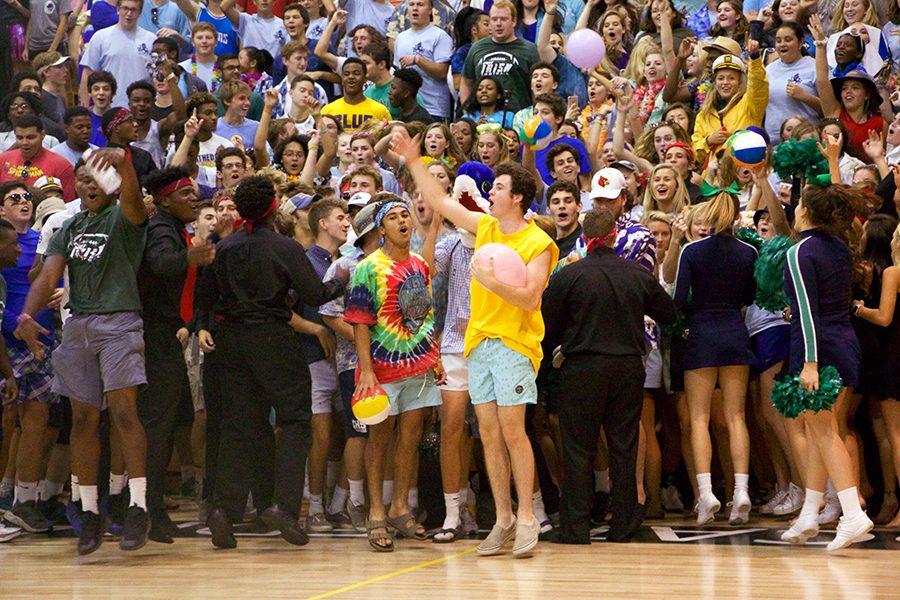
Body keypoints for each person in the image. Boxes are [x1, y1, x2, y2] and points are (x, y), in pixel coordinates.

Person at [394, 133, 558, 558]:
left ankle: (526, 518)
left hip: (515, 344)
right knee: (487, 434)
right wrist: (414, 161)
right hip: (478, 343)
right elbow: (442, 202)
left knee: (513, 432)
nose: (491, 192)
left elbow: (531, 298)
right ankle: (502, 519)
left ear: (518, 197)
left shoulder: (538, 242)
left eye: (499, 187)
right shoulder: (485, 226)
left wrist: (493, 283)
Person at [15, 149, 150, 556]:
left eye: (98, 179)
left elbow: (134, 200)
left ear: (110, 185)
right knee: (82, 420)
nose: (91, 185)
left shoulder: (124, 218)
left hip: (119, 321)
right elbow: (49, 276)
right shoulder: (69, 227)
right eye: (84, 180)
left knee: (124, 412)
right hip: (77, 325)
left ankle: (138, 505)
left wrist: (123, 165)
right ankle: (90, 510)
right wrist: (26, 314)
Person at [197, 175, 343, 549]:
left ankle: (222, 509)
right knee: (296, 420)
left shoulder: (225, 247)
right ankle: (283, 505)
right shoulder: (284, 247)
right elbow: (314, 292)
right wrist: (340, 279)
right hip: (274, 340)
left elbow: (206, 297)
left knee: (238, 426)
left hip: (231, 341)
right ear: (273, 206)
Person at [543, 207, 677, 543]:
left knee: (577, 448)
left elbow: (547, 324)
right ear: (614, 236)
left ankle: (575, 529)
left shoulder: (570, 275)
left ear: (585, 238)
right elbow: (668, 312)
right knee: (624, 445)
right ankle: (624, 526)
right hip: (627, 366)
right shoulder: (635, 273)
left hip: (582, 367)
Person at [344, 198, 444, 552]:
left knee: (411, 437)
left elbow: (424, 316)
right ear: (380, 229)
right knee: (380, 440)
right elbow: (358, 321)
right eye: (393, 217)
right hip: (382, 370)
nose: (403, 220)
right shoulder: (367, 268)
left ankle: (400, 506)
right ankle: (375, 511)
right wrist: (366, 370)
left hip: (419, 366)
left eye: (406, 215)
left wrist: (433, 355)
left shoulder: (419, 264)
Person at [781, 184, 874, 551]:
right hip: (844, 341)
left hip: (819, 349)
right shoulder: (837, 245)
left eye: (799, 203)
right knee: (825, 430)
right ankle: (808, 513)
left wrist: (809, 363)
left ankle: (852, 515)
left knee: (824, 432)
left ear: (805, 212)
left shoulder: (799, 251)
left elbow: (805, 310)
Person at [137, 167, 215, 543]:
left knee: (166, 424)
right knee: (158, 425)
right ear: (164, 200)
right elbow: (161, 264)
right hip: (153, 334)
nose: (194, 198)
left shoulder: (173, 227)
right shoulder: (161, 229)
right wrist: (192, 256)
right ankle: (148, 512)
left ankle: (152, 510)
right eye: (186, 194)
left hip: (168, 332)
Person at [673, 188, 758, 526]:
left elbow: (678, 299)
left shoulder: (692, 251)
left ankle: (706, 493)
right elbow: (750, 296)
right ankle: (741, 492)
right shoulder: (748, 252)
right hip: (735, 332)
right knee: (736, 416)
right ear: (737, 216)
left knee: (699, 418)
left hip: (703, 334)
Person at [460, 1, 541, 113]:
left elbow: (537, 87)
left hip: (517, 119)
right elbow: (466, 82)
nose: (498, 24)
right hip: (484, 120)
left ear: (514, 21)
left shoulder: (529, 49)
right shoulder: (477, 48)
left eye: (503, 19)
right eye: (494, 19)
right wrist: (467, 112)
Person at [78, 0, 158, 108]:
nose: (129, 14)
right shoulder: (100, 37)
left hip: (141, 108)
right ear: (118, 9)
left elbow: (156, 77)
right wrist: (85, 108)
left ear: (140, 13)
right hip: (109, 109)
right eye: (125, 8)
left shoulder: (151, 39)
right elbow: (88, 73)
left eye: (133, 10)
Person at [392, 0, 453, 120]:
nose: (415, 8)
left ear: (430, 10)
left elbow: (442, 72)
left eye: (420, 5)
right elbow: (397, 72)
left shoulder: (440, 36)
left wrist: (418, 60)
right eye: (412, 5)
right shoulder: (400, 37)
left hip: (434, 109)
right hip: (407, 109)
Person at [0, 116, 75, 201]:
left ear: (42, 135)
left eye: (30, 137)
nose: (25, 142)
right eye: (20, 138)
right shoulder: (2, 160)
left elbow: (69, 205)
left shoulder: (62, 165)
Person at [321, 59, 390, 132]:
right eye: (346, 74)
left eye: (356, 73)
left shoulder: (380, 111)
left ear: (365, 78)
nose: (351, 77)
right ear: (342, 79)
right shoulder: (327, 111)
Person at [224, 0, 288, 60]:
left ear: (274, 2)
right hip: (250, 69)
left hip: (274, 70)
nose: (264, 0)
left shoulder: (283, 24)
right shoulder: (245, 20)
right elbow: (225, 7)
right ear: (254, 1)